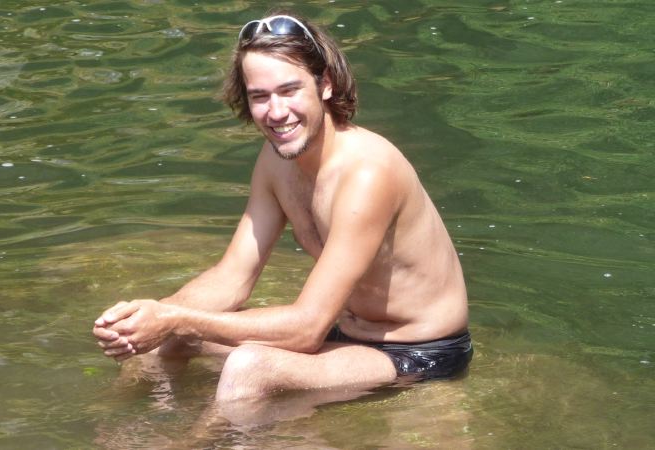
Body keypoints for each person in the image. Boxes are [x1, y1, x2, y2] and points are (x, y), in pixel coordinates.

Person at [92, 11, 472, 402]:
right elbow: (231, 278)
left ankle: (195, 436)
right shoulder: (276, 161)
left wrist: (176, 318)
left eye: (289, 91)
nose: (276, 112)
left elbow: (307, 328)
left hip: (419, 352)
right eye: (260, 96)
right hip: (345, 333)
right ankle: (133, 420)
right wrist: (147, 318)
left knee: (249, 368)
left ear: (325, 84)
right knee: (166, 340)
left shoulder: (368, 174)